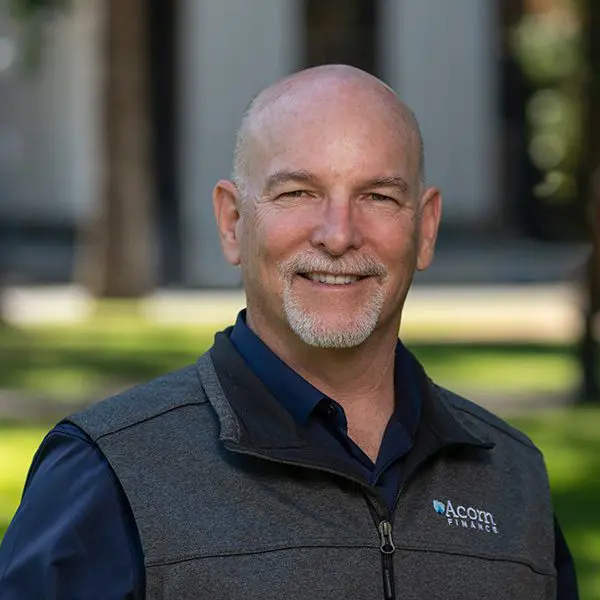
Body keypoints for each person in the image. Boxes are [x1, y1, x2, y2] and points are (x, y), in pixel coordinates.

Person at [0, 65, 578, 600]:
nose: (337, 234)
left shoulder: (513, 478)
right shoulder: (108, 475)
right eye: (298, 193)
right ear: (233, 222)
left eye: (377, 196)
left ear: (424, 229)